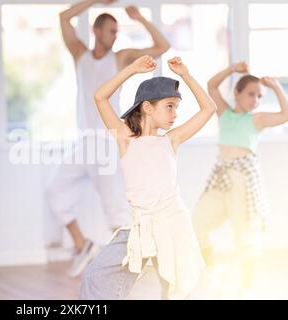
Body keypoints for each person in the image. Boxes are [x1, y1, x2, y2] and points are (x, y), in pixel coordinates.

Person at [47, 0, 170, 277]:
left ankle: (133, 263)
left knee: (115, 212)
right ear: (97, 31)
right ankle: (82, 244)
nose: (115, 36)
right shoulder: (80, 54)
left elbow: (162, 46)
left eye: (116, 31)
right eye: (111, 31)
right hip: (84, 143)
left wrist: (140, 18)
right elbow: (64, 17)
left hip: (107, 143)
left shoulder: (121, 57)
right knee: (55, 192)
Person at [80, 55, 216, 299]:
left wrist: (186, 75)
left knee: (175, 288)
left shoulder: (171, 140)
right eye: (170, 106)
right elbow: (100, 96)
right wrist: (132, 69)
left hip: (172, 223)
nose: (175, 113)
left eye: (176, 107)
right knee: (95, 276)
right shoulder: (125, 138)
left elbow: (209, 109)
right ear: (147, 106)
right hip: (140, 226)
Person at [192, 62, 288, 297]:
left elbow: (286, 115)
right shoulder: (224, 112)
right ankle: (212, 267)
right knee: (198, 223)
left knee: (244, 237)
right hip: (221, 178)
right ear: (237, 93)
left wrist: (275, 87)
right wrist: (232, 69)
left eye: (259, 96)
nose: (256, 100)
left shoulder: (257, 120)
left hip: (243, 182)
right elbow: (211, 86)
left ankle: (244, 286)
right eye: (251, 94)